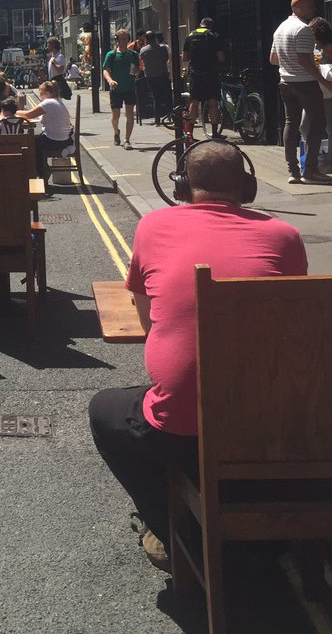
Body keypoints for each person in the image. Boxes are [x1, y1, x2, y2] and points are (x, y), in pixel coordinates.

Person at [88, 140, 306, 569]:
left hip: (183, 430)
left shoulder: (153, 226)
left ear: (183, 187)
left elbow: (148, 321)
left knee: (104, 410)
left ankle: (173, 529)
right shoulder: (285, 236)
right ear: (247, 186)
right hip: (271, 429)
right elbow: (289, 317)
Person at [270, 0, 332, 184]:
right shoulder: (303, 29)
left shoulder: (280, 28)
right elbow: (305, 60)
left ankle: (293, 171)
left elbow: (273, 59)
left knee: (291, 123)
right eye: (310, 7)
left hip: (285, 82)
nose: (313, 10)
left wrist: (288, 64)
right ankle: (311, 171)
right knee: (318, 122)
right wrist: (323, 80)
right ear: (298, 8)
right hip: (305, 83)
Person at [16, 81, 74, 191]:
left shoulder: (48, 102)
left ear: (47, 93)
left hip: (54, 140)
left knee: (30, 144)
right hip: (64, 139)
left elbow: (28, 115)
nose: (40, 95)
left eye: (41, 92)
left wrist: (13, 112)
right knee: (34, 141)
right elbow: (43, 121)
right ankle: (42, 170)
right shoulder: (57, 101)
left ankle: (42, 172)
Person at [181, 16, 225, 134]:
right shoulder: (214, 36)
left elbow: (185, 58)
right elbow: (221, 58)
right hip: (211, 74)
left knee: (194, 102)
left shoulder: (190, 36)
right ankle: (215, 133)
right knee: (213, 102)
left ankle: (190, 133)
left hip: (196, 74)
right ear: (210, 25)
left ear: (201, 24)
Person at [102, 29, 139, 149]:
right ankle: (116, 131)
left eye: (125, 39)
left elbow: (137, 70)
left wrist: (137, 71)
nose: (123, 41)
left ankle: (127, 140)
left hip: (129, 88)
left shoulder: (133, 55)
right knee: (115, 116)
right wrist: (110, 80)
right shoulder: (111, 55)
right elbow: (106, 70)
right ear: (117, 40)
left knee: (129, 115)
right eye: (121, 39)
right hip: (116, 89)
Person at [309, 17, 332, 167]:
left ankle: (325, 158)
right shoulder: (316, 49)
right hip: (322, 91)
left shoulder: (323, 49)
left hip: (324, 91)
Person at [139, 30, 172, 127]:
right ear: (155, 38)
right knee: (168, 97)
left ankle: (157, 120)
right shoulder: (163, 48)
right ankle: (172, 116)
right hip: (163, 75)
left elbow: (142, 61)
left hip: (151, 77)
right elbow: (166, 59)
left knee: (156, 98)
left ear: (146, 39)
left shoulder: (143, 50)